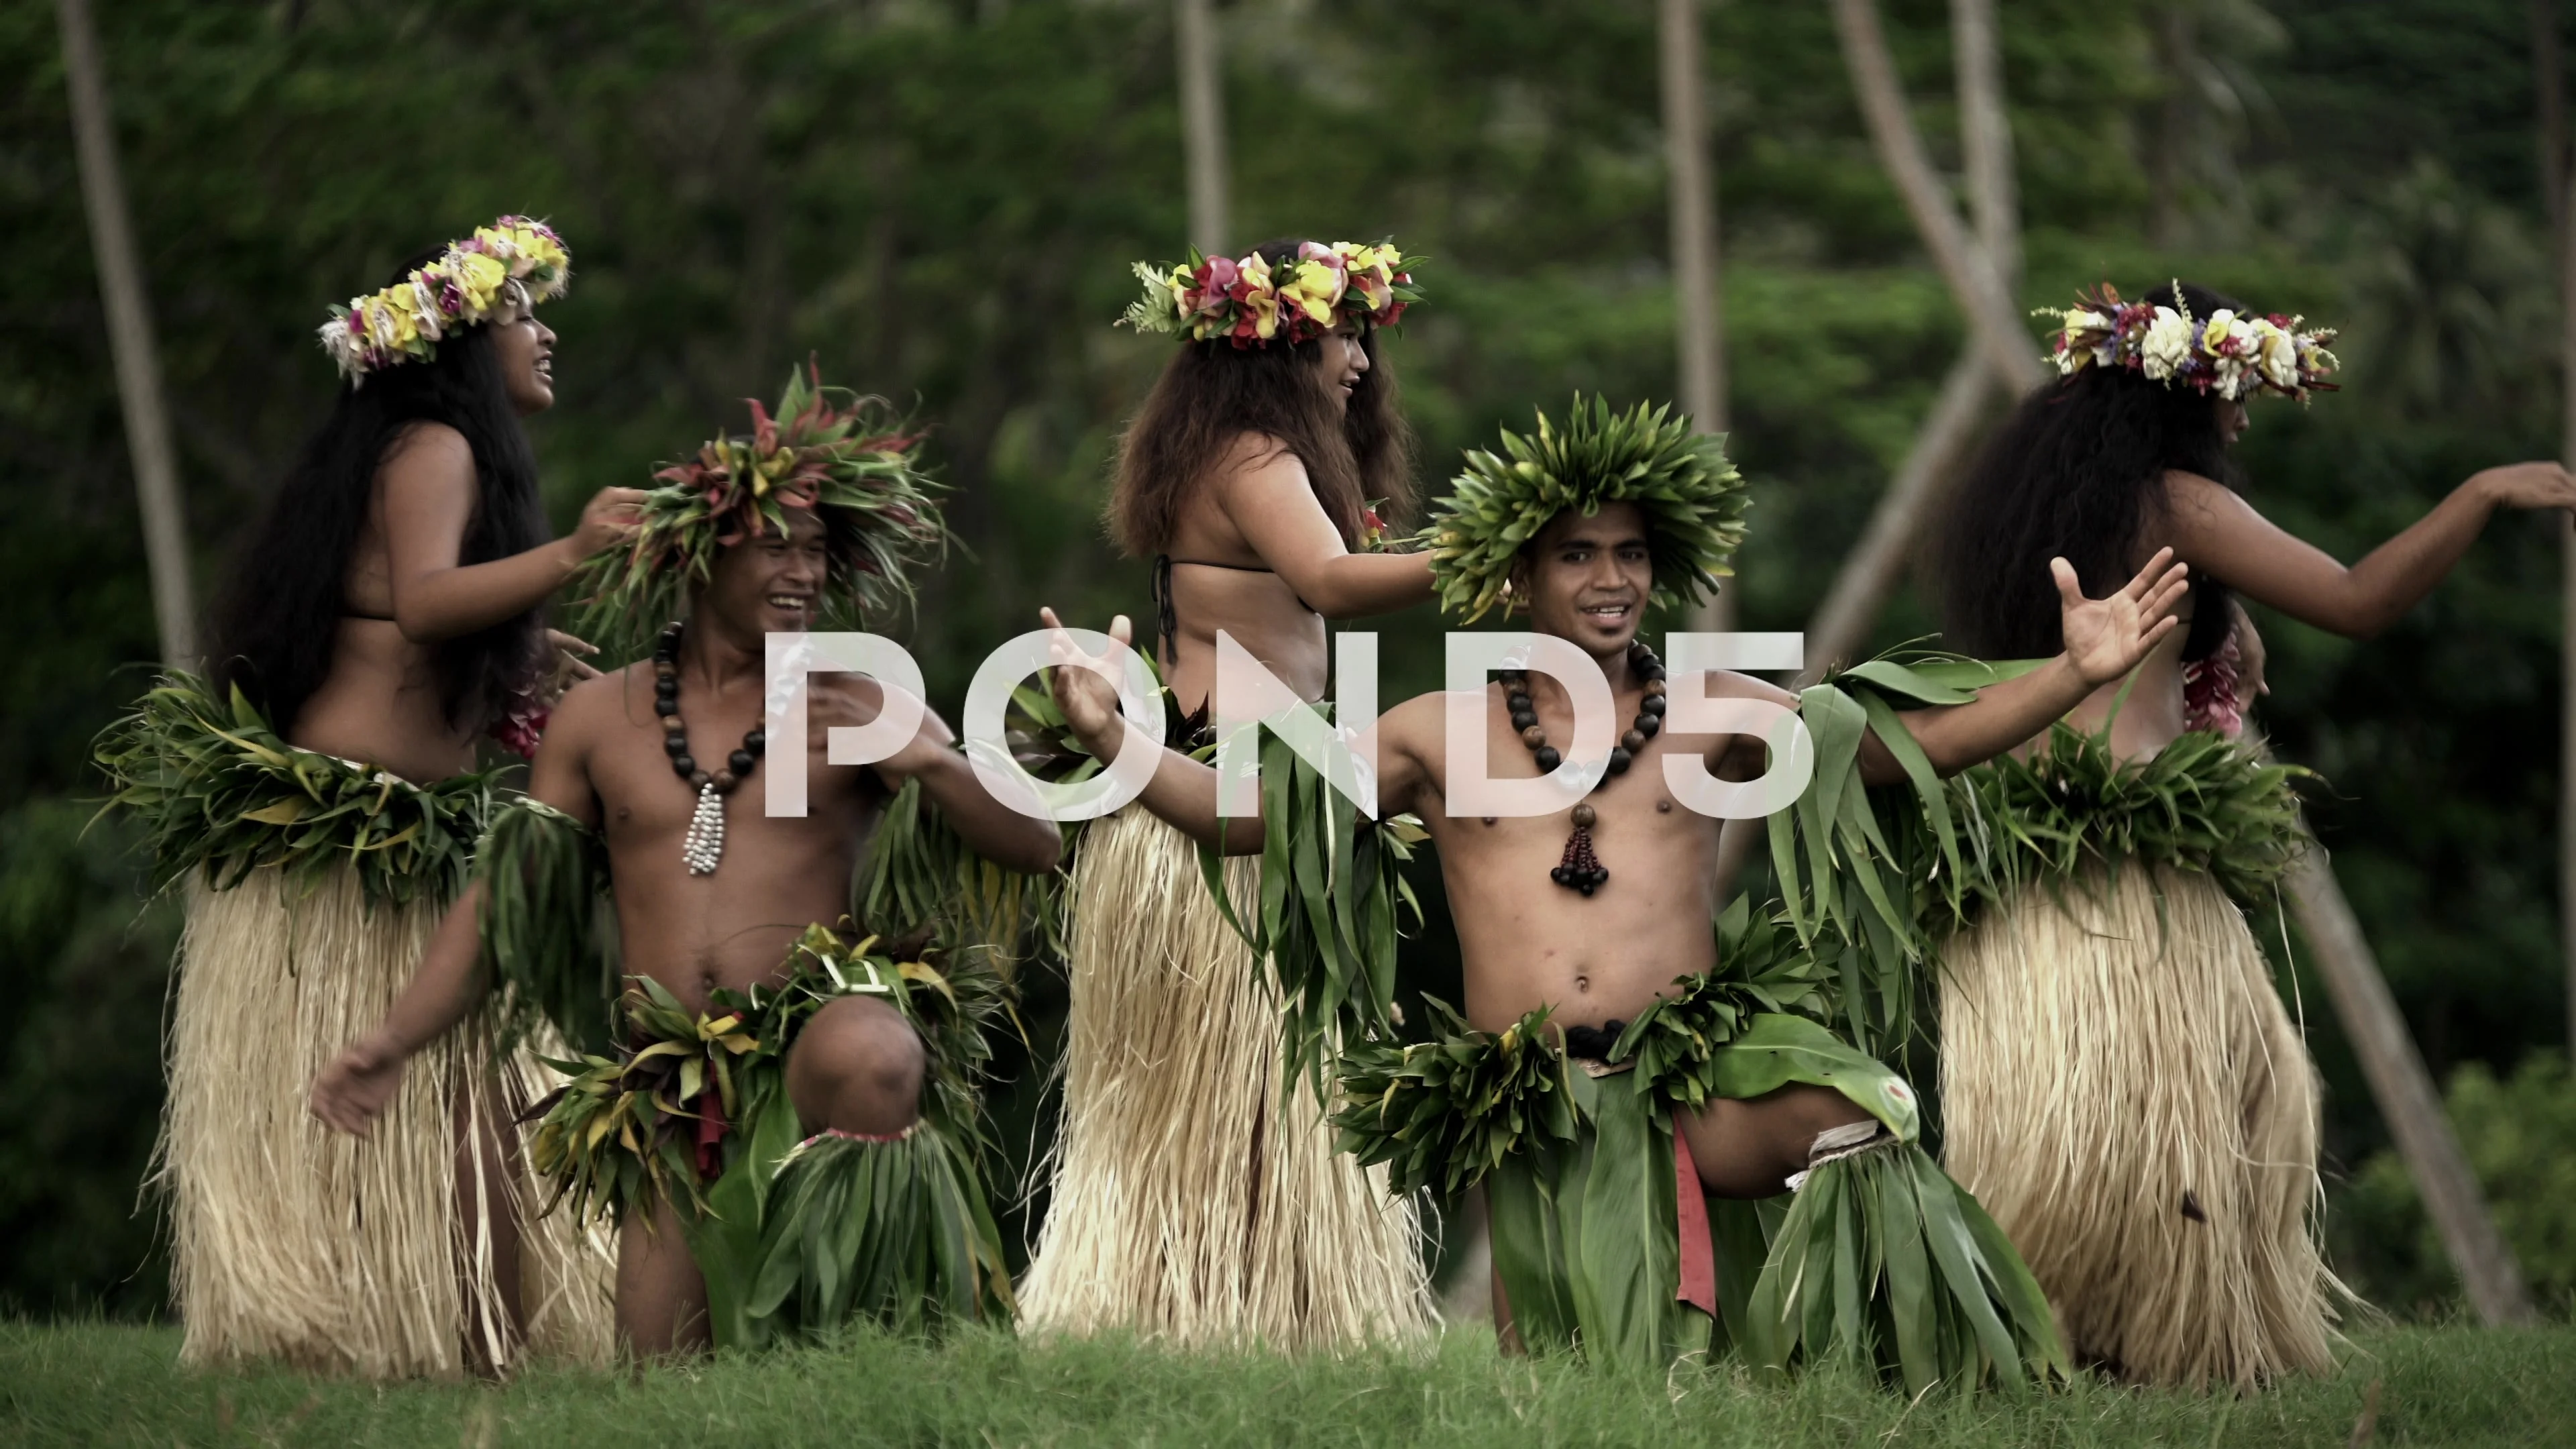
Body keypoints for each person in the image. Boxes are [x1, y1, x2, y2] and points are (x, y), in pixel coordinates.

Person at [1038, 397, 2190, 1383]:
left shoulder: (1707, 713)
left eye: (1631, 554)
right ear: (1522, 576)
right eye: (1579, 555)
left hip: (1688, 1075)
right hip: (1533, 1105)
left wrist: (2072, 673)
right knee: (1574, 1386)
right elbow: (1251, 822)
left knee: (1858, 1111)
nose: (1610, 579)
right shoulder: (1432, 734)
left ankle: (1877, 1363)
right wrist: (1121, 745)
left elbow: (1905, 748)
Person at [309, 368, 1062, 1358]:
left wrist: (932, 765)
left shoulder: (856, 698)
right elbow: (509, 902)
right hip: (664, 1087)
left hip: (809, 1037)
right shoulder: (600, 718)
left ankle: (869, 1340)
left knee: (875, 1054)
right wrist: (393, 1041)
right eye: (774, 548)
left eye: (818, 553)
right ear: (702, 556)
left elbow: (1036, 844)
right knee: (658, 1379)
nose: (801, 573)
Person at [1933, 281, 2576, 1387]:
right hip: (2135, 863)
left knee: (2074, 1127)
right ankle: (2160, 1342)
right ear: (2186, 397)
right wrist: (2481, 493)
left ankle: (2055, 1334)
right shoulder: (2176, 502)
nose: (2243, 420)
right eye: (2237, 396)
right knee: (2207, 1106)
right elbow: (2360, 597)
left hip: (2027, 862)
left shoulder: (2034, 510)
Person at [96, 217, 642, 1377]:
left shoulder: (409, 452)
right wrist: (575, 552)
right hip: (359, 844)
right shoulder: (436, 445)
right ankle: (395, 1325)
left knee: (467, 1096)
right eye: (525, 318)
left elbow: (409, 623)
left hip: (392, 835)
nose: (547, 337)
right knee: (450, 1099)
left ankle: (424, 1326)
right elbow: (431, 599)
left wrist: (524, 660)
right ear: (461, 344)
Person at [1016, 240, 1437, 1348]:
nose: (1359, 361)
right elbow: (1333, 582)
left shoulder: (1231, 454)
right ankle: (1197, 1314)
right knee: (1235, 1102)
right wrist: (1502, 552)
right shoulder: (1254, 455)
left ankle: (1242, 1309)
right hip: (1224, 821)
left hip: (1251, 811)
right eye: (1344, 336)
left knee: (1254, 1106)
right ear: (1281, 346)